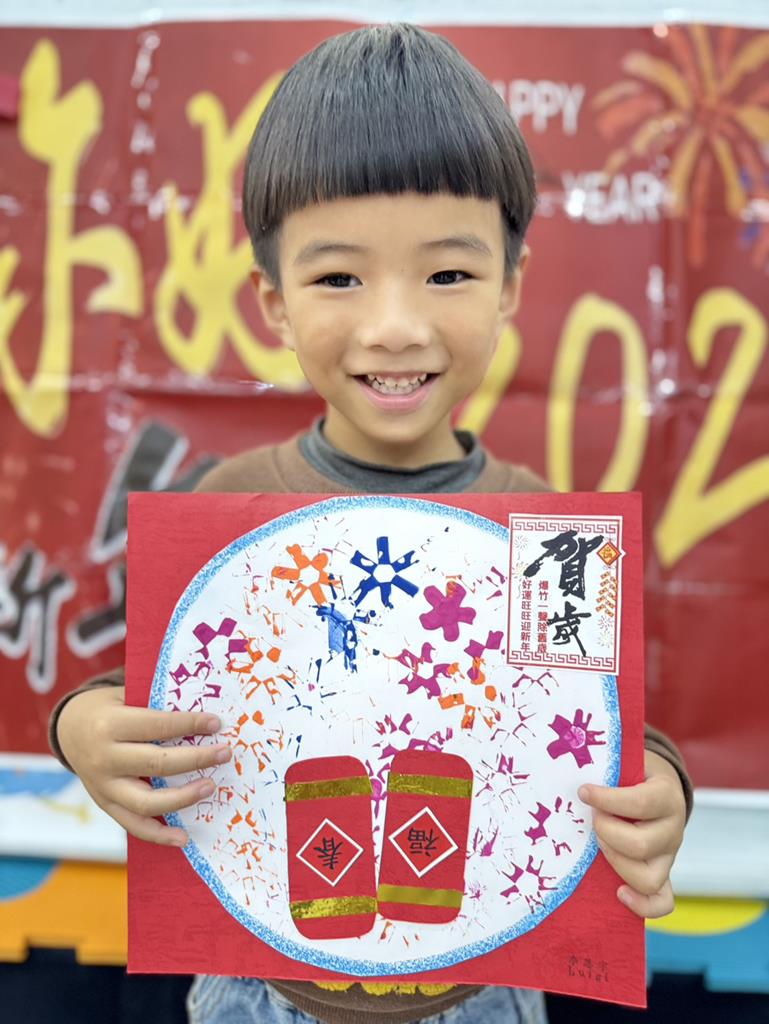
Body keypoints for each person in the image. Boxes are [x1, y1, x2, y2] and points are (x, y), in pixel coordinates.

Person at [48, 23, 691, 1024]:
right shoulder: (229, 506)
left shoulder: (548, 543)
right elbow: (137, 697)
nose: (394, 326)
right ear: (273, 301)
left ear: (510, 286)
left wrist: (662, 793)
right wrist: (83, 731)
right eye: (339, 278)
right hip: (255, 991)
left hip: (485, 992)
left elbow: (599, 735)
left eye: (448, 274)